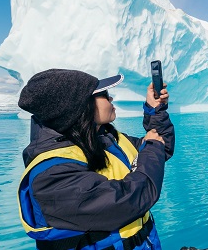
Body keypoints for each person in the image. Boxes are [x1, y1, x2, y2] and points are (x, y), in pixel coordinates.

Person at [16, 69, 175, 250]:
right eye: (105, 95)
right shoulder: (52, 174)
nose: (111, 99)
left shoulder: (107, 140)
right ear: (80, 107)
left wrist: (156, 110)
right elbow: (128, 200)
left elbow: (160, 149)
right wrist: (152, 146)